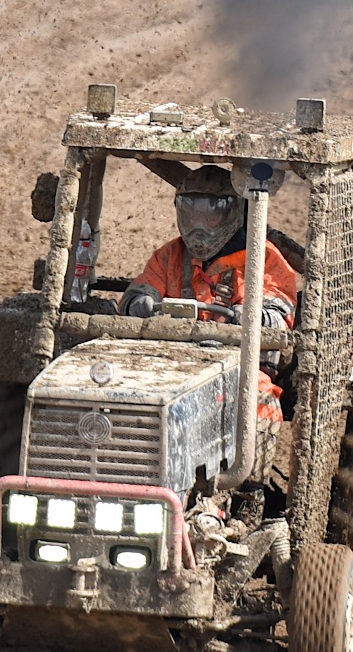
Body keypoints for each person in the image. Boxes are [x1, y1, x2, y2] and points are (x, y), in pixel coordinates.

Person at [120, 166, 298, 470]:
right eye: (191, 214)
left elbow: (278, 314)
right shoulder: (170, 255)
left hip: (240, 368)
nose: (198, 226)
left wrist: (253, 315)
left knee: (259, 400)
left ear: (234, 213)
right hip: (170, 363)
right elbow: (141, 290)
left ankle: (248, 487)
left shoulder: (264, 258)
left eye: (210, 214)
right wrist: (140, 302)